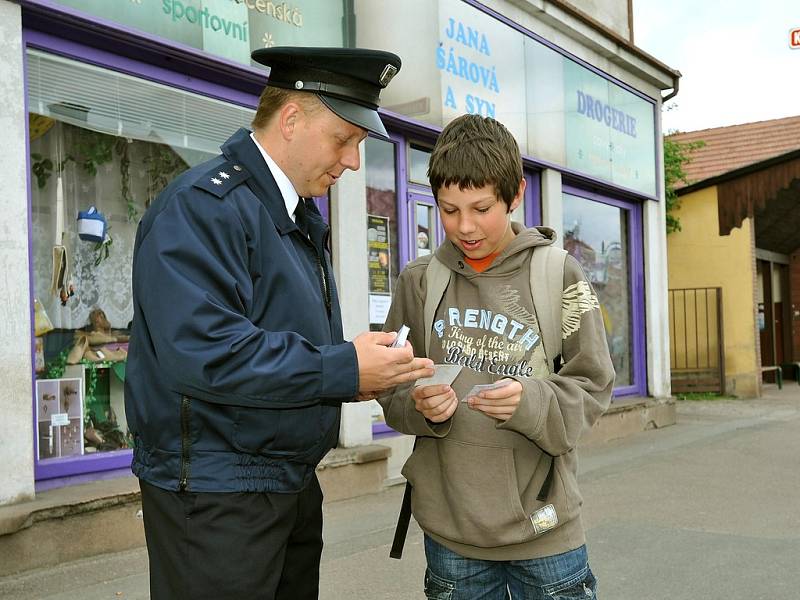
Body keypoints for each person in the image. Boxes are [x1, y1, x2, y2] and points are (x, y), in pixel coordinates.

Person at [124, 46, 434, 600]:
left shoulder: (288, 213)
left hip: (280, 485)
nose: (353, 162)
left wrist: (357, 367)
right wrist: (344, 366)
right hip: (220, 497)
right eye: (344, 140)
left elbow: (271, 338)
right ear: (291, 119)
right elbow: (205, 352)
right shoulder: (204, 207)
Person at [378, 114, 615, 599]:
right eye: (448, 209)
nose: (464, 226)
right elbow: (391, 383)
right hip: (452, 538)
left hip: (546, 534)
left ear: (516, 194)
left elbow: (594, 385)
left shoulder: (562, 274)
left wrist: (530, 402)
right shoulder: (418, 281)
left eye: (481, 208)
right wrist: (417, 404)